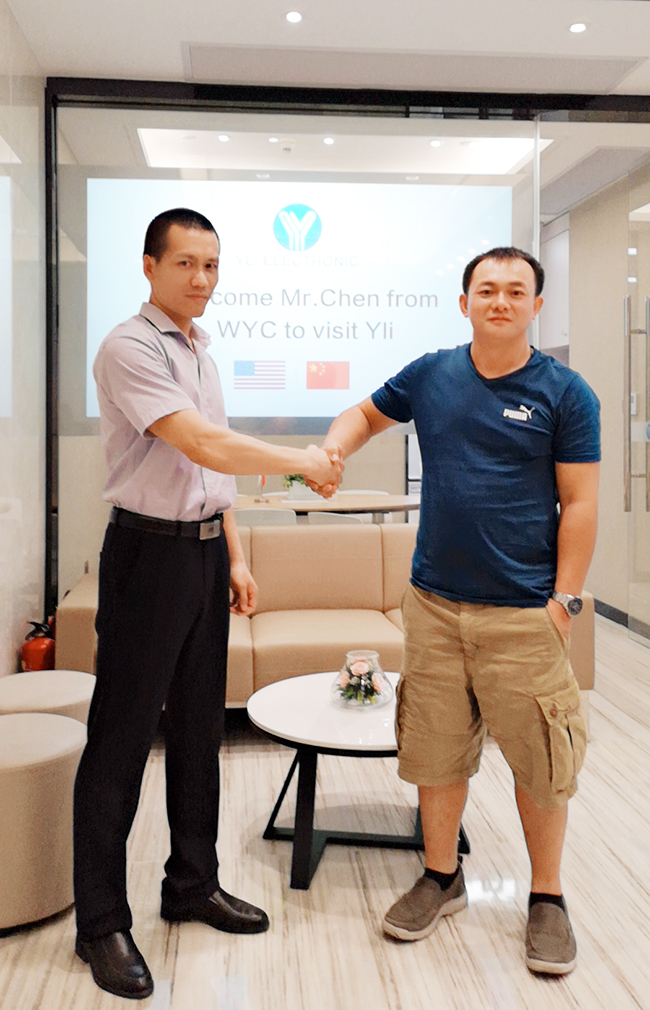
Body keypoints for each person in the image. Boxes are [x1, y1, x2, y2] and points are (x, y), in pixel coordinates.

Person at [73, 207, 342, 1000]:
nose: (201, 278)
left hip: (201, 555)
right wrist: (301, 461)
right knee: (122, 741)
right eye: (186, 263)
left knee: (199, 731)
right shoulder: (129, 346)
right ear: (150, 266)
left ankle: (192, 884)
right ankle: (100, 922)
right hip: (146, 557)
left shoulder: (204, 353)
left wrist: (236, 555)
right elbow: (198, 442)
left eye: (212, 265)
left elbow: (210, 473)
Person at [310, 247, 600, 975]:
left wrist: (563, 603)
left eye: (516, 291)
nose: (500, 301)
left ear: (536, 306)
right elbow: (363, 414)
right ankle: (442, 878)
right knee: (436, 753)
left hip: (524, 612)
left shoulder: (566, 393)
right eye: (487, 290)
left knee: (540, 760)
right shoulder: (432, 374)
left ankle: (547, 897)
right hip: (434, 606)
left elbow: (581, 502)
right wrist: (334, 450)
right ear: (465, 302)